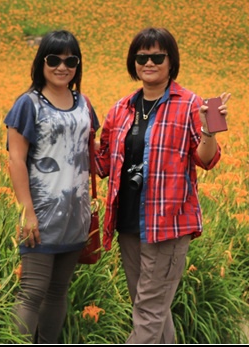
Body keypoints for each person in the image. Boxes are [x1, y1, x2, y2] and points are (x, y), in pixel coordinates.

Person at [96, 27, 230, 344]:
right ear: (134, 62)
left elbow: (207, 160)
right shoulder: (121, 108)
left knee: (148, 311)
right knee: (154, 309)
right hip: (127, 223)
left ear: (171, 61)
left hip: (168, 224)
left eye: (158, 56)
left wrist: (210, 131)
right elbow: (101, 162)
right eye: (142, 57)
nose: (149, 62)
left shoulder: (191, 104)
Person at [4, 30, 99, 343]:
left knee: (58, 292)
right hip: (41, 215)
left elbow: (93, 155)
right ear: (41, 62)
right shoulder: (28, 104)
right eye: (54, 59)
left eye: (71, 60)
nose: (63, 66)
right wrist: (27, 213)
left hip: (76, 216)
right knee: (32, 292)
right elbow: (16, 160)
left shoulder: (84, 104)